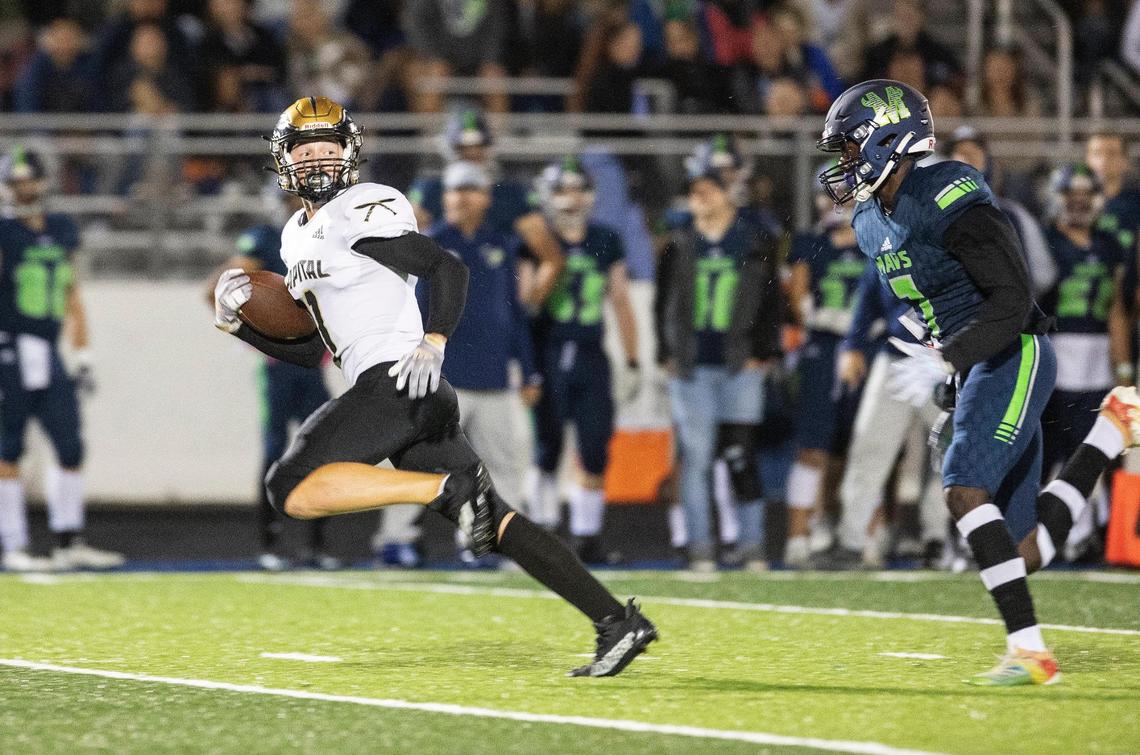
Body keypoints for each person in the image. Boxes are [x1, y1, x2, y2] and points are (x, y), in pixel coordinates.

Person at [212, 96, 655, 676]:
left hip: (398, 379)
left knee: (288, 486)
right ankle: (616, 622)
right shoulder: (297, 235)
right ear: (283, 159)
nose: (318, 159)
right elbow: (309, 350)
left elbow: (447, 267)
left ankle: (439, 489)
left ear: (350, 154)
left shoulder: (360, 207)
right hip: (404, 393)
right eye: (306, 149)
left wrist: (434, 340)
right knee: (495, 522)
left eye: (329, 147)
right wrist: (243, 324)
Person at [817, 78, 1140, 685]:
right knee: (1020, 553)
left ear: (888, 139)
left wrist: (951, 358)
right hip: (972, 362)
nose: (843, 166)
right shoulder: (868, 220)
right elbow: (925, 293)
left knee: (963, 486)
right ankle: (1108, 435)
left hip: (1013, 349)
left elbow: (1014, 297)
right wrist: (943, 361)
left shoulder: (946, 191)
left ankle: (1029, 650)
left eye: (850, 149)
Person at [656, 152, 782, 571]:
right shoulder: (678, 243)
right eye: (694, 192)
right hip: (692, 366)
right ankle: (701, 546)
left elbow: (771, 301)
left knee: (740, 453)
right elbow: (662, 303)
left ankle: (752, 543)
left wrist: (763, 352)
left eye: (707, 190)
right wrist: (665, 353)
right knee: (696, 459)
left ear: (727, 194)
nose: (700, 198)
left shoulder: (752, 240)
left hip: (737, 364)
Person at [0, 147, 124, 573]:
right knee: (8, 448)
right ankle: (13, 544)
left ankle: (68, 540)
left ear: (43, 182)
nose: (23, 189)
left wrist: (84, 353)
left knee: (70, 445)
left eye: (28, 180)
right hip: (10, 347)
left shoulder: (61, 228)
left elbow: (71, 292)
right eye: (15, 183)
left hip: (49, 351)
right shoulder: (3, 232)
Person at [416, 160, 542, 563]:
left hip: (493, 375)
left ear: (485, 197)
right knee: (416, 462)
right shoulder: (429, 243)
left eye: (469, 190)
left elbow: (514, 314)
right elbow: (413, 311)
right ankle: (395, 539)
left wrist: (528, 367)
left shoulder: (501, 245)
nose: (459, 198)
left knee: (503, 464)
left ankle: (487, 539)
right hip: (444, 377)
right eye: (454, 190)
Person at [207, 190, 340, 571]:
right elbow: (215, 291)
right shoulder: (265, 239)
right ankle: (272, 542)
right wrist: (254, 333)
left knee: (321, 453)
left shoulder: (328, 237)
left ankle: (318, 543)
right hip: (279, 366)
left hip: (312, 363)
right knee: (274, 450)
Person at [528, 157, 639, 563]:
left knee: (594, 448)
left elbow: (621, 301)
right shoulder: (537, 238)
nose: (570, 199)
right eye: (561, 190)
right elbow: (527, 304)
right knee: (548, 448)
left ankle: (586, 538)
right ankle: (540, 533)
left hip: (591, 353)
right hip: (549, 350)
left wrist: (631, 359)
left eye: (576, 189)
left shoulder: (606, 239)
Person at [1037, 165, 1132, 518]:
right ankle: (1035, 526)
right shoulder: (1044, 240)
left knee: (1096, 457)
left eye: (1085, 196)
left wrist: (1124, 373)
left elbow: (1116, 311)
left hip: (1098, 364)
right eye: (1070, 196)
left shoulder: (1110, 246)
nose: (1078, 204)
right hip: (1054, 359)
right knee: (1046, 455)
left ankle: (1092, 531)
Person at [782, 190, 868, 567]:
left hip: (865, 351)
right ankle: (798, 535)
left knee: (863, 449)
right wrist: (815, 316)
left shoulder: (876, 239)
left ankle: (865, 534)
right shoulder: (810, 242)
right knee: (813, 447)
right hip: (822, 348)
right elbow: (797, 295)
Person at [407, 107, 565, 311]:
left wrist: (523, 310)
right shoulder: (429, 190)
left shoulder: (511, 195)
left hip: (492, 296)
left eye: (478, 146)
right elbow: (404, 253)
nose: (471, 154)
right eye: (463, 147)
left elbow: (551, 259)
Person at [1086, 132, 1140, 276]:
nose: (1104, 160)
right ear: (1087, 160)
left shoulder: (1135, 203)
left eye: (1112, 153)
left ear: (1125, 162)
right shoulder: (1071, 206)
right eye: (1097, 153)